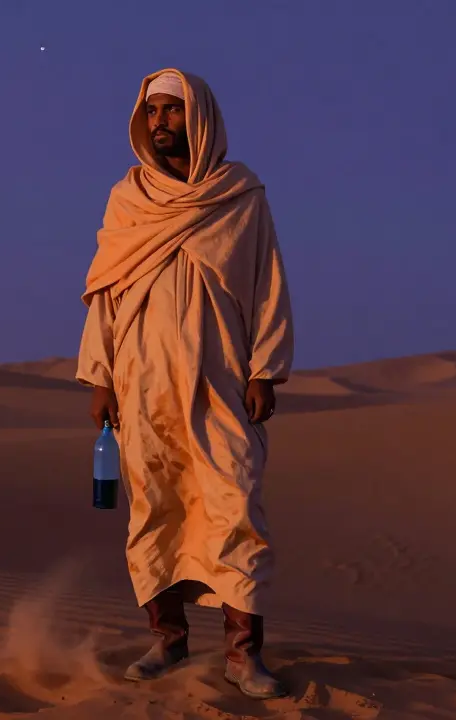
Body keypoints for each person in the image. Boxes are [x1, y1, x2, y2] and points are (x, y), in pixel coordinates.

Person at [75, 68, 294, 700]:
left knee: (236, 505)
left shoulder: (239, 196)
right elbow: (105, 295)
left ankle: (244, 656)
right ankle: (168, 640)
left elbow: (268, 284)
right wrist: (100, 377)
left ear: (199, 117)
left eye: (172, 110)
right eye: (152, 112)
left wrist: (265, 368)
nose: (160, 122)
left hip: (219, 381)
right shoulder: (128, 199)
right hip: (141, 384)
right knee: (156, 509)